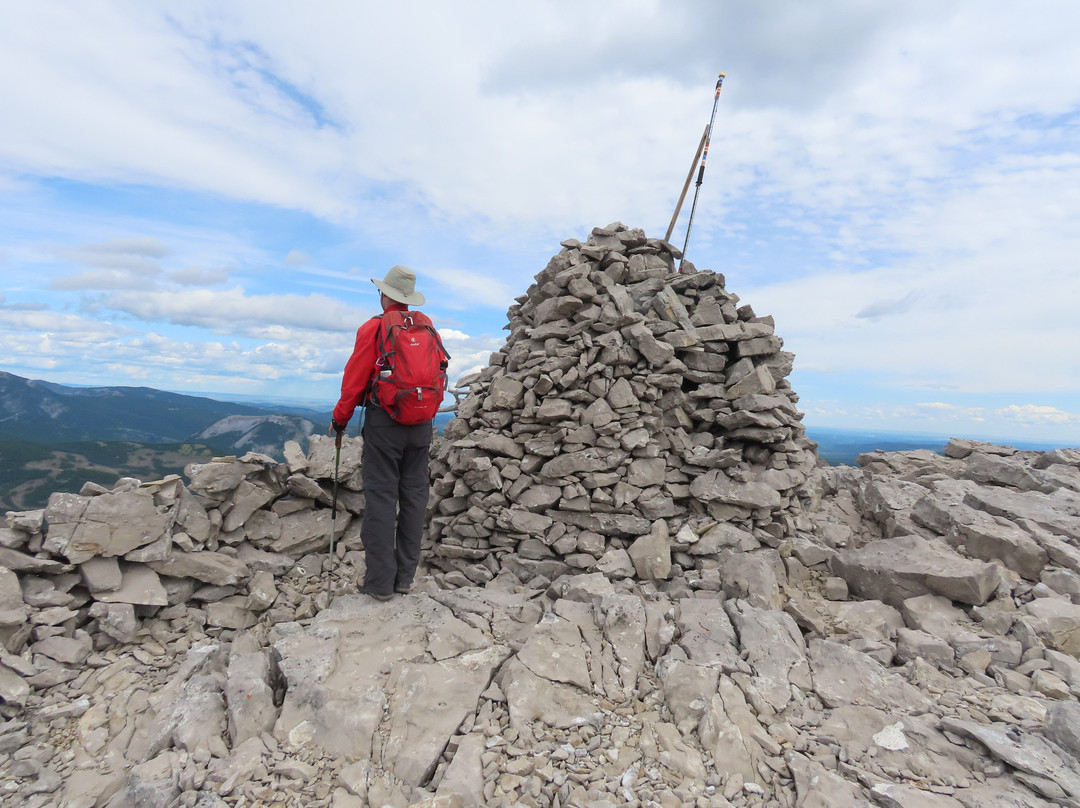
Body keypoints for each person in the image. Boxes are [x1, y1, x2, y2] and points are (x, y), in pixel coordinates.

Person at [331, 265, 436, 601]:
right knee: (414, 498)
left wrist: (339, 420)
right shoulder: (426, 326)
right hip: (421, 424)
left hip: (384, 424)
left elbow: (354, 380)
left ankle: (379, 583)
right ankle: (405, 578)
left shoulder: (373, 329)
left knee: (381, 501)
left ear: (386, 295)